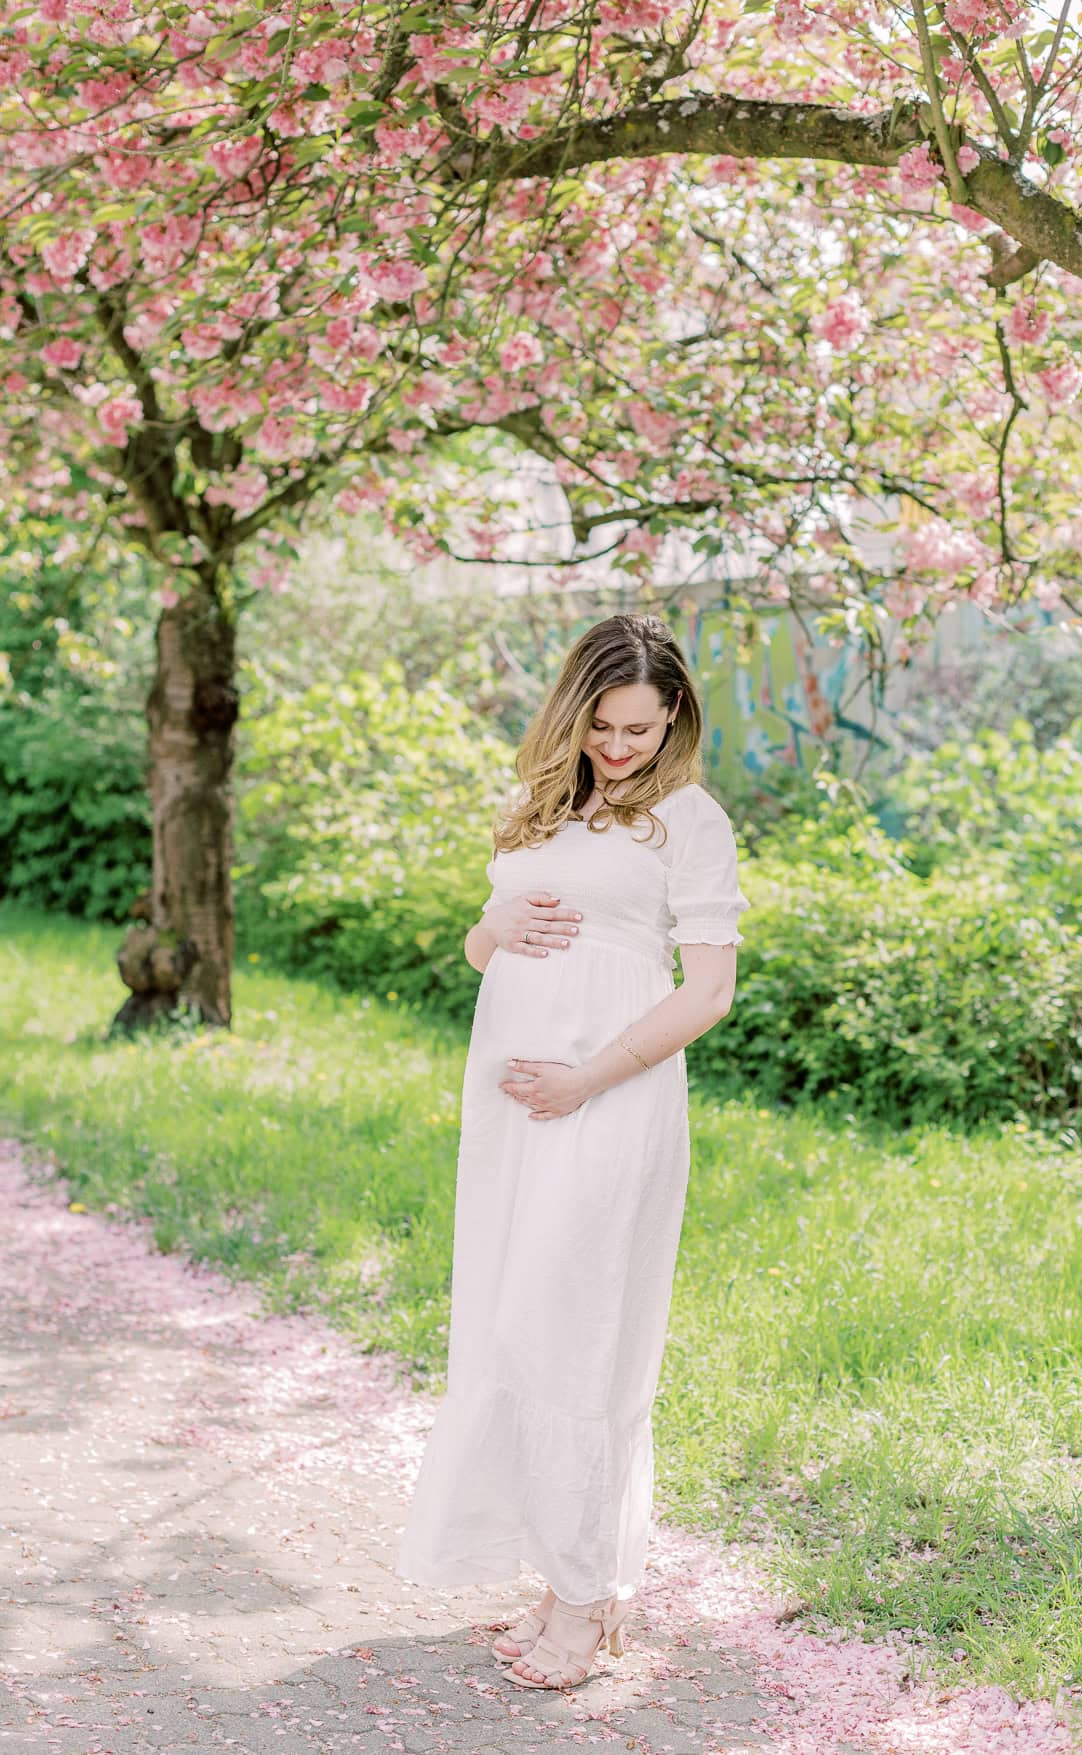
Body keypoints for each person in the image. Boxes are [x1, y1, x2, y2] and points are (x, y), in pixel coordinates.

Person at [395, 612, 750, 1691]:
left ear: (675, 716)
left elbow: (710, 991)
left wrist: (586, 1078)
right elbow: (479, 939)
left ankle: (585, 1603)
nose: (618, 747)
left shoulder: (687, 821)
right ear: (571, 711)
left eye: (639, 729)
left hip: (609, 1102)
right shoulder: (543, 802)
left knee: (581, 1327)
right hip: (511, 1114)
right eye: (600, 725)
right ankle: (561, 1581)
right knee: (516, 1318)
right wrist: (500, 934)